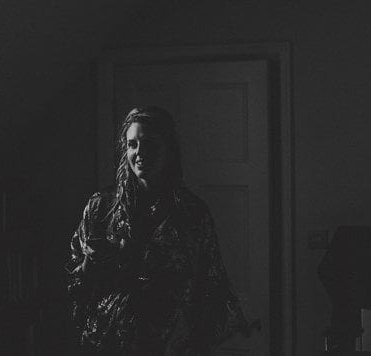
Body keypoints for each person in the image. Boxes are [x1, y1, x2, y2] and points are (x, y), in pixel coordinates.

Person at [66, 106, 252, 355]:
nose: (139, 153)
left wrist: (197, 340)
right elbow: (76, 282)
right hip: (109, 343)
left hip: (172, 344)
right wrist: (93, 261)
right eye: (132, 144)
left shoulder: (191, 213)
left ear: (168, 149)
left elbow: (211, 284)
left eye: (150, 144)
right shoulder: (101, 207)